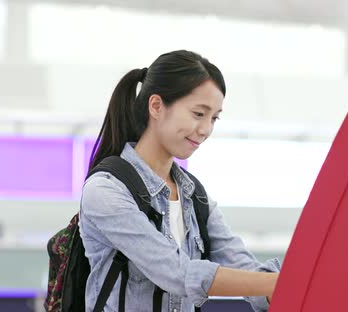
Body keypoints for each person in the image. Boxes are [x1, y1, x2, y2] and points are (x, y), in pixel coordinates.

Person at [79, 50, 281, 312]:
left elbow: (243, 268)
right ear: (156, 106)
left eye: (214, 118)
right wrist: (273, 283)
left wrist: (287, 285)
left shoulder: (195, 196)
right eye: (199, 114)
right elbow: (176, 273)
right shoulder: (106, 190)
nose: (206, 129)